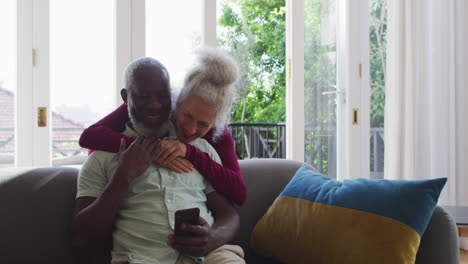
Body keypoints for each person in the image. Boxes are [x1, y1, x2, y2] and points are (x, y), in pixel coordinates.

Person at [71, 52, 245, 264]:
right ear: (126, 97)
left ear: (171, 98)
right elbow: (81, 239)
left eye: (162, 95)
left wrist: (213, 238)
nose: (154, 104)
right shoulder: (102, 156)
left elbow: (230, 212)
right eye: (143, 96)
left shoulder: (200, 148)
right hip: (141, 259)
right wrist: (124, 174)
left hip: (209, 257)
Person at [78, 55, 247, 206]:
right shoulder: (158, 104)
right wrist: (154, 149)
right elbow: (89, 136)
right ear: (178, 100)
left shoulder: (218, 132)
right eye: (187, 115)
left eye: (203, 124)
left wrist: (191, 153)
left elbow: (239, 193)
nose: (191, 128)